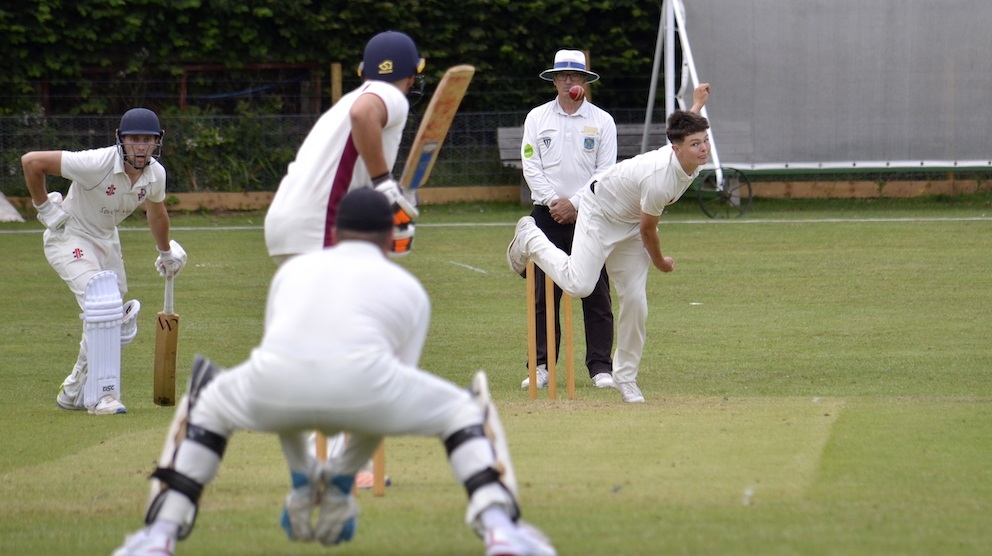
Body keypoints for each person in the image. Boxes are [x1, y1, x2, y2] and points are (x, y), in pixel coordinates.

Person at [110, 188, 557, 556]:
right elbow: (380, 401)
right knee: (465, 409)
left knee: (207, 400)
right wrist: (340, 482)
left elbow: (284, 374)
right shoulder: (409, 289)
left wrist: (305, 480)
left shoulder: (294, 270)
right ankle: (500, 531)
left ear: (335, 233)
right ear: (391, 237)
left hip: (271, 389)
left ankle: (159, 535)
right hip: (364, 388)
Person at [507, 83, 713, 404]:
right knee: (580, 285)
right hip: (600, 210)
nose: (704, 149)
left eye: (705, 142)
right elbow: (649, 231)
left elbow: (688, 128)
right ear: (677, 149)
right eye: (696, 144)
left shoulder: (685, 150)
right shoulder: (660, 179)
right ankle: (531, 237)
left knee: (636, 302)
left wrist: (697, 103)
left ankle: (625, 377)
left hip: (629, 222)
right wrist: (661, 262)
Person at [22, 107, 186, 415]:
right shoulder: (95, 162)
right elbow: (31, 162)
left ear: (158, 141)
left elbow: (157, 212)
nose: (141, 147)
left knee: (112, 320)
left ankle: (72, 391)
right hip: (69, 236)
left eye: (148, 140)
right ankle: (102, 397)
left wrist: (165, 253)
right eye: (134, 139)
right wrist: (44, 208)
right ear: (120, 140)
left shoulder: (155, 174)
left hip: (107, 240)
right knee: (105, 308)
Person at [264, 30, 423, 264]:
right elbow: (363, 113)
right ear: (411, 76)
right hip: (322, 225)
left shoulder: (347, 102)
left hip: (288, 223)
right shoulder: (389, 94)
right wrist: (384, 184)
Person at [519, 49, 618, 390]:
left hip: (589, 215)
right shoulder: (537, 118)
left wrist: (576, 203)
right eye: (563, 75)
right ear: (555, 79)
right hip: (546, 216)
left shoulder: (602, 120)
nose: (569, 81)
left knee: (595, 290)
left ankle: (601, 367)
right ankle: (541, 366)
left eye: (576, 76)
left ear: (585, 81)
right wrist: (553, 202)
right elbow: (531, 166)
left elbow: (605, 172)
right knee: (542, 295)